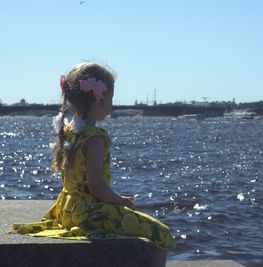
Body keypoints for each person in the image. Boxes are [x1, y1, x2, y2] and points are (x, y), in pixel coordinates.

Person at [13, 62, 175, 266]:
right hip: (89, 214)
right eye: (111, 99)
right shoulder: (95, 138)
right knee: (161, 233)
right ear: (102, 98)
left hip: (68, 211)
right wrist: (121, 201)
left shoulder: (68, 131)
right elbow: (96, 186)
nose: (111, 105)